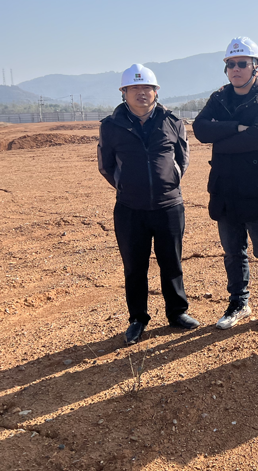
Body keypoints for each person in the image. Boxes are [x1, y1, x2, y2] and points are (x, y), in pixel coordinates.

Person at [98, 64, 198, 345]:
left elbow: (182, 158)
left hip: (169, 206)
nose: (141, 93)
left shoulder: (172, 121)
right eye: (134, 88)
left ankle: (177, 313)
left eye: (146, 87)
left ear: (155, 91)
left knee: (172, 262)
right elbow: (106, 166)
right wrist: (127, 187)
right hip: (130, 209)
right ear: (124, 92)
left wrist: (169, 180)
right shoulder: (111, 126)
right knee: (134, 267)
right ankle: (137, 319)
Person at [193, 37, 258, 331]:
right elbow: (200, 129)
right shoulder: (219, 98)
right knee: (233, 253)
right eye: (231, 64)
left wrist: (221, 139)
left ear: (256, 66)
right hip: (225, 189)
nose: (236, 68)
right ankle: (239, 303)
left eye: (242, 63)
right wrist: (235, 128)